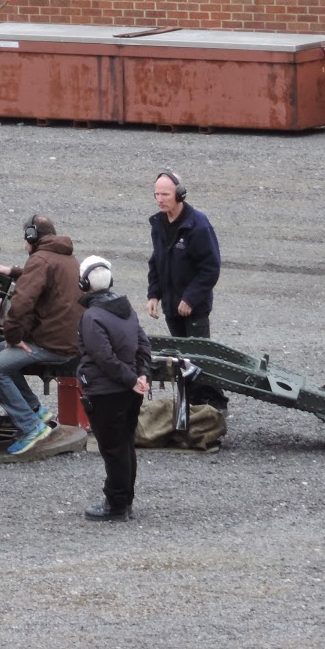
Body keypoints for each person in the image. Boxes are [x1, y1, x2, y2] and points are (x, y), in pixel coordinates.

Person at [0, 214, 84, 455]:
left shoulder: (39, 260)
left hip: (52, 343)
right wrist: (14, 272)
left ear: (32, 236)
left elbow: (21, 304)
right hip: (68, 338)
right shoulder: (66, 256)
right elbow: (49, 283)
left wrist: (13, 337)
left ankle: (30, 427)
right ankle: (35, 409)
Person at [76, 255, 152, 521]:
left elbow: (104, 358)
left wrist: (132, 379)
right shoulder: (127, 310)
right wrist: (141, 376)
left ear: (84, 282)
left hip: (106, 392)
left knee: (113, 449)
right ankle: (124, 502)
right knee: (125, 445)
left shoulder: (92, 317)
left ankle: (116, 505)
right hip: (129, 392)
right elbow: (144, 346)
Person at [146, 169, 226, 409]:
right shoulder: (158, 223)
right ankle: (192, 405)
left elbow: (210, 268)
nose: (160, 199)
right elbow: (156, 261)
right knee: (182, 359)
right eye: (157, 194)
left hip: (194, 309)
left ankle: (215, 405)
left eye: (166, 194)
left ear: (180, 194)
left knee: (201, 361)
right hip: (172, 307)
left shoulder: (198, 225)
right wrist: (154, 294)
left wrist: (190, 298)